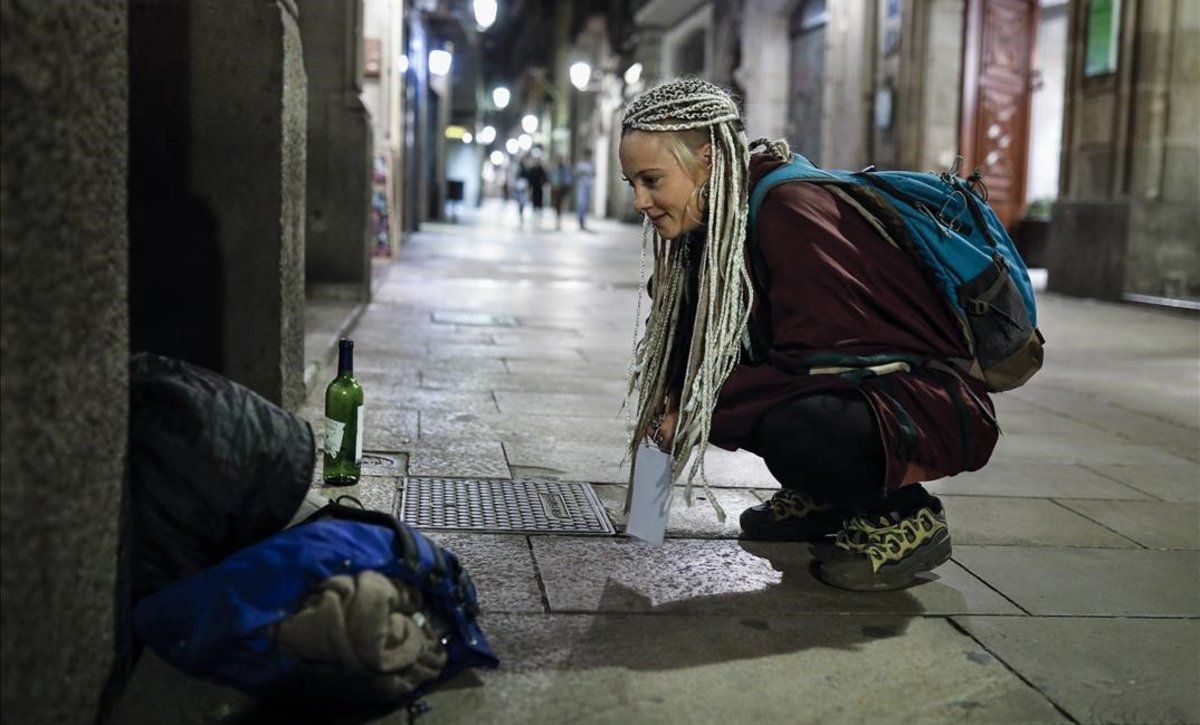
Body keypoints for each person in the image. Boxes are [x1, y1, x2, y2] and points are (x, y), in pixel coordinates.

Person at [618, 78, 999, 591]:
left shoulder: (787, 208)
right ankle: (826, 495)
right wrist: (673, 404)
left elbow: (819, 363)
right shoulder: (709, 222)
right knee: (726, 395)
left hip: (917, 400)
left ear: (705, 160)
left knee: (794, 422)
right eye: (632, 184)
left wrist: (698, 406)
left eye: (652, 180)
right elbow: (693, 350)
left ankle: (904, 517)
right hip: (851, 389)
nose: (641, 200)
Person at [520, 155, 549, 226]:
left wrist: (545, 184)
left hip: (540, 188)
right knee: (534, 201)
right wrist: (529, 188)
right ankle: (535, 214)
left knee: (540, 202)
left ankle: (539, 215)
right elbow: (530, 180)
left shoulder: (541, 169)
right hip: (534, 188)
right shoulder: (532, 169)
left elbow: (545, 178)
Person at [573, 149, 596, 231]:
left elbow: (594, 174)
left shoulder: (592, 164)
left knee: (585, 205)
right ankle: (580, 221)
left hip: (588, 186)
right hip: (581, 187)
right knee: (581, 204)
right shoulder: (580, 164)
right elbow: (576, 174)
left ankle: (583, 221)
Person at [549, 156, 572, 230]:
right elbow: (551, 178)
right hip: (556, 189)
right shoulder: (555, 169)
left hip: (563, 188)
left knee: (561, 203)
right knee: (557, 204)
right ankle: (558, 218)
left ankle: (560, 217)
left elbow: (568, 179)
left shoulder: (566, 169)